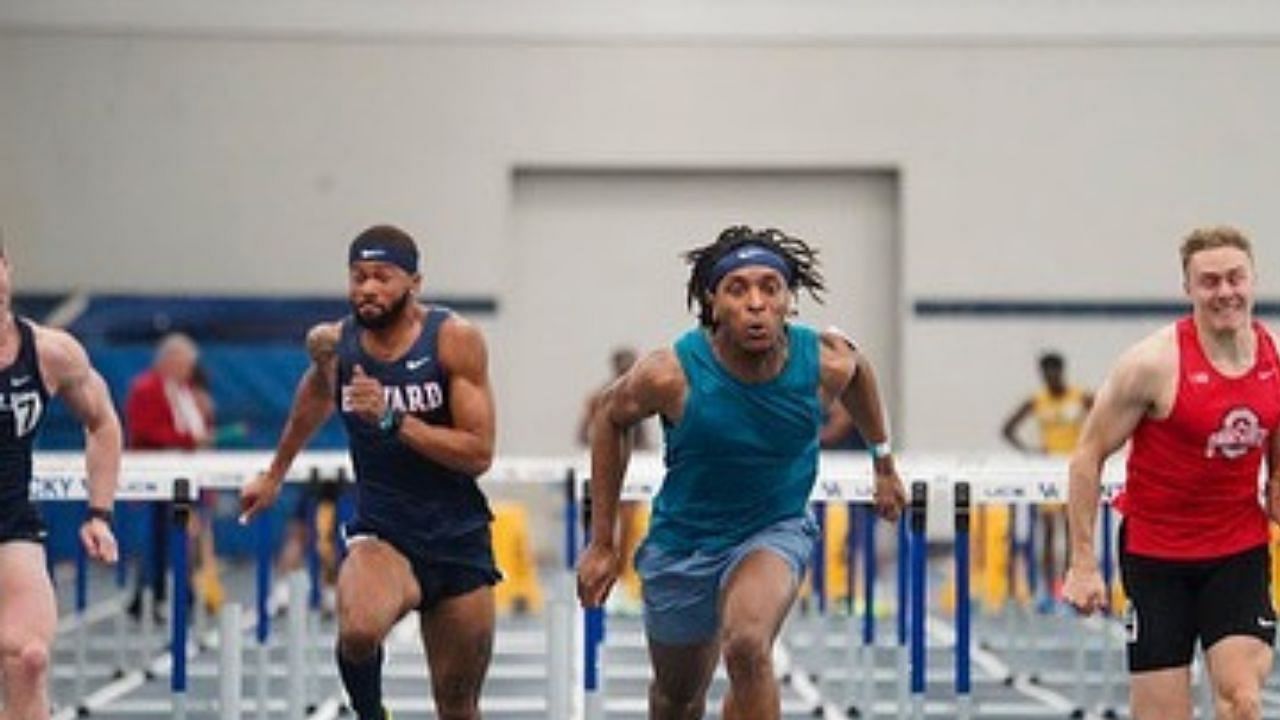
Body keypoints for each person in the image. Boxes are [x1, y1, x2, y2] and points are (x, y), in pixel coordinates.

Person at [576, 225, 906, 719]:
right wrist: (603, 541)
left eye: (770, 288)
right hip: (682, 544)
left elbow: (859, 374)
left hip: (773, 529)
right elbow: (608, 417)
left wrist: (882, 462)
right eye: (738, 289)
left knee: (749, 644)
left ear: (788, 300)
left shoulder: (823, 360)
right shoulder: (670, 373)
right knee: (677, 697)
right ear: (713, 303)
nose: (756, 303)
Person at [240, 225, 498, 720]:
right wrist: (274, 474)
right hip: (385, 533)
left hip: (458, 538)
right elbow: (315, 395)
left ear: (414, 283)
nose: (368, 289)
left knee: (458, 704)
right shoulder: (337, 346)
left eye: (382, 277)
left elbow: (478, 452)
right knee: (358, 631)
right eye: (358, 277)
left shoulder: (454, 340)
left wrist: (391, 419)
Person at [1064, 226, 1277, 720]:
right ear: (1189, 289)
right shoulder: (1152, 364)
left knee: (1241, 700)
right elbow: (1087, 456)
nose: (1224, 292)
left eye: (1234, 278)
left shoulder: (1275, 359)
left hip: (1237, 552)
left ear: (1252, 280)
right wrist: (1082, 562)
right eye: (1209, 282)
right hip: (1157, 556)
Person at [0, 242, 120, 719]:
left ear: (7, 269)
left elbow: (103, 421)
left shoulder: (51, 352)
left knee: (30, 658)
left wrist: (99, 512)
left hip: (11, 529)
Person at [123, 333, 214, 620]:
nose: (190, 369)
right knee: (158, 536)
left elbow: (199, 425)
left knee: (184, 533)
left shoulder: (186, 389)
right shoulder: (146, 388)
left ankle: (179, 591)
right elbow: (144, 430)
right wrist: (188, 440)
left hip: (185, 476)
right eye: (186, 363)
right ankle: (151, 593)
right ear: (170, 360)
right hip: (154, 476)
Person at [1001, 352, 1093, 603]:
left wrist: (1091, 446)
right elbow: (1007, 429)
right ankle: (1048, 588)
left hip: (1074, 469)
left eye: (1054, 373)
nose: (1050, 378)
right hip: (1047, 470)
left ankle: (1070, 583)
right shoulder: (1037, 401)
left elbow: (1106, 417)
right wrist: (1030, 451)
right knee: (1048, 531)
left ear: (1062, 371)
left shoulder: (1080, 397)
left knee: (1072, 530)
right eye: (1045, 374)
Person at [578, 347, 651, 613]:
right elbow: (584, 435)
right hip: (607, 469)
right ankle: (602, 580)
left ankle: (620, 580)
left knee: (631, 525)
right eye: (624, 368)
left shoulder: (643, 393)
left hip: (636, 469)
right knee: (606, 526)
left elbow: (644, 438)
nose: (628, 372)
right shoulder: (600, 399)